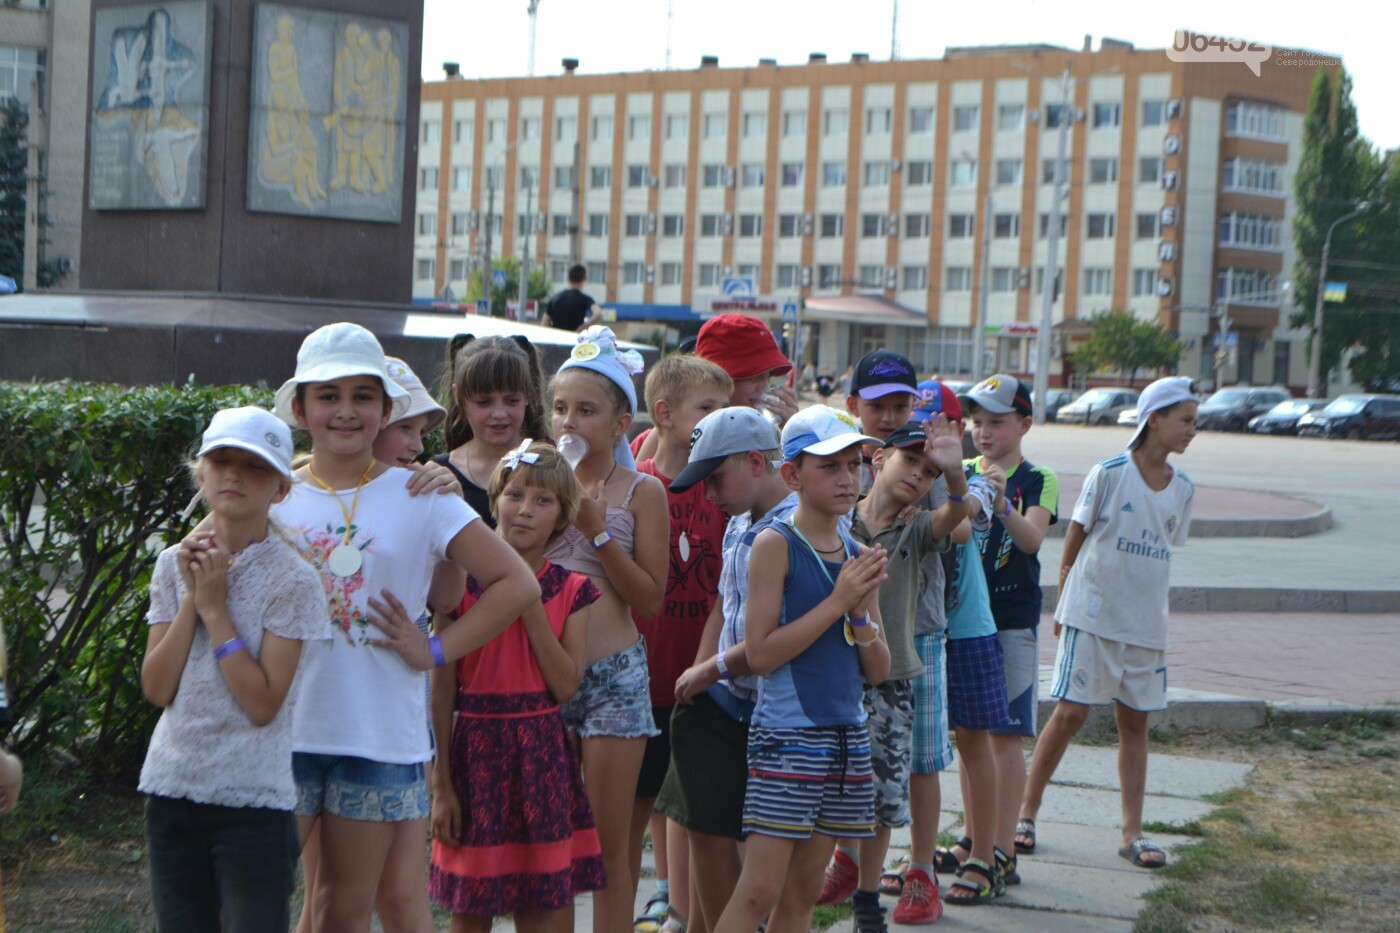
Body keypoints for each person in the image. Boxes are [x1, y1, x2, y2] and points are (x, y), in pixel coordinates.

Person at [261, 322, 539, 932]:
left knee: (343, 911)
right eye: (328, 396)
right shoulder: (271, 495)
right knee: (272, 906)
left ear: (386, 409)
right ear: (302, 408)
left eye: (363, 397)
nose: (345, 411)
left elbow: (518, 584)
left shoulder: (425, 495)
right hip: (281, 734)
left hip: (378, 738)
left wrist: (436, 649)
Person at [138, 406, 329, 932]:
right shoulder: (172, 564)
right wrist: (192, 599)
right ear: (201, 474)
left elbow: (263, 704)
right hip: (171, 787)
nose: (236, 475)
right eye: (221, 461)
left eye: (256, 466)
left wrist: (217, 612)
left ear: (281, 489)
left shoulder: (293, 579)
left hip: (253, 802)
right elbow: (157, 688)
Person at [712, 406, 892, 933]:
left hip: (846, 739)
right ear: (791, 475)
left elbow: (878, 669)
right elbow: (761, 654)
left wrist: (859, 613)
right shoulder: (775, 544)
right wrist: (840, 603)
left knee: (804, 891)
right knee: (760, 890)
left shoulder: (857, 553)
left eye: (853, 464)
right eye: (829, 467)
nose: (846, 478)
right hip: (789, 736)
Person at [296, 358, 459, 933]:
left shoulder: (425, 497)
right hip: (311, 722)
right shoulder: (292, 488)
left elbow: (448, 597)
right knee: (326, 898)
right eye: (408, 429)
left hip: (388, 728)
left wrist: (433, 648)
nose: (418, 446)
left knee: (398, 898)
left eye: (422, 432)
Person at [1019, 376, 1198, 871]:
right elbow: (1075, 536)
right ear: (1154, 419)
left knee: (1134, 722)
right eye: (1185, 420)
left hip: (1144, 627)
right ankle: (1026, 813)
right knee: (1071, 713)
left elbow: (1164, 549)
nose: (1192, 431)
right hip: (1092, 617)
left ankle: (1132, 832)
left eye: (1195, 423)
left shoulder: (1183, 489)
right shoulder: (1110, 473)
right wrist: (1064, 601)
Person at [429, 440, 605, 930]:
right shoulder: (458, 585)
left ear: (561, 518)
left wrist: (525, 600)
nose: (525, 510)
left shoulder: (572, 590)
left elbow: (566, 686)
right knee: (471, 907)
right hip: (475, 752)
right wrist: (439, 783)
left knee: (546, 905)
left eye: (543, 501)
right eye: (515, 495)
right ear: (494, 500)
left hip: (542, 754)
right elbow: (441, 689)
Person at [546, 326, 670, 933]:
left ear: (622, 423)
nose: (569, 422)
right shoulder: (537, 485)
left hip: (615, 677)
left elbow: (649, 599)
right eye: (560, 409)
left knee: (606, 847)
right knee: (553, 847)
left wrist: (596, 529)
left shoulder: (643, 491)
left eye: (586, 411)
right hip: (546, 673)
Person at [838, 420, 975, 931]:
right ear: (878, 460)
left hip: (890, 680)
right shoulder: (838, 519)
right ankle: (816, 876)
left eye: (928, 470)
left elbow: (954, 516)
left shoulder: (917, 529)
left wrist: (956, 477)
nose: (917, 474)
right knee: (821, 785)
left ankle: (868, 899)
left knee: (879, 797)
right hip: (831, 676)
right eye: (908, 461)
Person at [659, 406, 790, 932]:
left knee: (759, 854)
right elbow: (723, 604)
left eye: (716, 478)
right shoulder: (740, 523)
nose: (708, 494)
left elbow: (773, 637)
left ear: (757, 461)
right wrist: (701, 673)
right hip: (723, 696)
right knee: (701, 825)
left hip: (776, 709)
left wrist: (709, 669)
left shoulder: (795, 529)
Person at [630, 355, 734, 933]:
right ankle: (666, 899)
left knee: (694, 803)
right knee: (647, 803)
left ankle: (687, 912)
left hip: (703, 673)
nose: (719, 421)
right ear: (665, 415)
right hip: (643, 674)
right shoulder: (636, 484)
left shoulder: (721, 489)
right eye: (708, 410)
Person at [955, 374, 1059, 885]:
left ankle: (1001, 848)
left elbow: (1033, 540)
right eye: (977, 422)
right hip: (967, 621)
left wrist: (1001, 507)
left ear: (1025, 424)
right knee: (969, 733)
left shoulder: (1037, 479)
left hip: (1013, 621)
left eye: (996, 422)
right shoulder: (964, 470)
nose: (983, 432)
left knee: (1005, 735)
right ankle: (973, 836)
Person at [935, 455, 1009, 906]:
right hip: (922, 631)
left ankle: (985, 855)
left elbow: (960, 526)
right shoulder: (881, 469)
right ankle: (960, 843)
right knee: (929, 750)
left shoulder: (975, 479)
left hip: (968, 629)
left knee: (974, 742)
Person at [633, 313, 797, 460]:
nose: (765, 387)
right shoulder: (664, 439)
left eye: (768, 376)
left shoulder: (760, 439)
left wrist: (791, 437)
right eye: (756, 376)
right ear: (716, 378)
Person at [434, 334, 550, 527]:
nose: (499, 413)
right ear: (459, 396)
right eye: (484, 402)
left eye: (512, 400)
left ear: (528, 395)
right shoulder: (440, 474)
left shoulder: (554, 468)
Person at [843, 349, 920, 493]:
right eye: (876, 406)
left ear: (912, 405)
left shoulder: (925, 464)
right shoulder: (838, 463)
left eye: (900, 407)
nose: (888, 418)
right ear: (853, 405)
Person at [544, 264, 601, 332]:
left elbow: (545, 322)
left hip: (556, 338)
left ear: (568, 278)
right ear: (584, 279)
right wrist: (583, 327)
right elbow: (598, 314)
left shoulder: (555, 298)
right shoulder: (585, 299)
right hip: (573, 339)